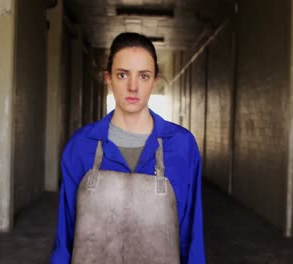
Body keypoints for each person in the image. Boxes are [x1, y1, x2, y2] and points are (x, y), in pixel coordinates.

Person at [50, 32, 206, 264]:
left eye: (143, 76)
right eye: (123, 75)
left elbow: (192, 236)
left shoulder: (182, 146)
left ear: (155, 81)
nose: (133, 87)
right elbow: (66, 237)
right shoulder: (81, 146)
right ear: (109, 79)